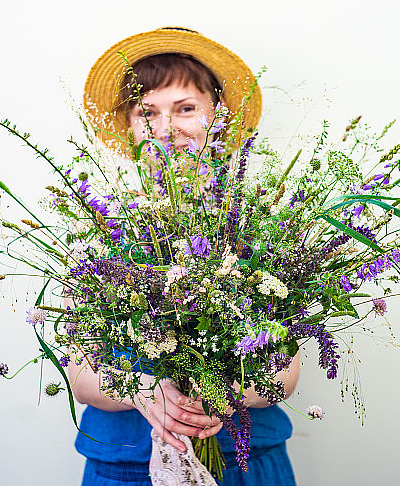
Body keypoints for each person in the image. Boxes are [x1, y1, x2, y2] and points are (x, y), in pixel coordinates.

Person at [69, 27, 300, 486]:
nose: (166, 128)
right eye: (147, 112)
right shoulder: (101, 229)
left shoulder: (262, 223)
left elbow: (286, 373)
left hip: (246, 463)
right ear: (129, 124)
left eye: (186, 108)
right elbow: (80, 376)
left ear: (218, 118)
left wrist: (222, 394)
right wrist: (145, 393)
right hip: (126, 468)